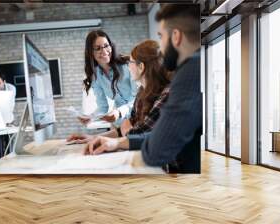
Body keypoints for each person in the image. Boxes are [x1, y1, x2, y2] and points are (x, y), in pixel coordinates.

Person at [85, 4, 202, 173]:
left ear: (175, 36)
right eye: (97, 48)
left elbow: (155, 147)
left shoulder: (188, 74)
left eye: (161, 36)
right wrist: (109, 136)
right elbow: (143, 133)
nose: (160, 48)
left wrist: (125, 131)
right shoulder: (143, 91)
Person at [67, 39, 170, 144]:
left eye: (130, 62)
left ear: (141, 67)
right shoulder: (142, 92)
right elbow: (126, 128)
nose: (128, 65)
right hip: (124, 130)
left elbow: (139, 134)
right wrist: (93, 136)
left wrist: (123, 123)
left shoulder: (165, 95)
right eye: (97, 48)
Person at [80, 30, 138, 126]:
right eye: (98, 48)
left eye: (106, 46)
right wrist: (91, 117)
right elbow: (103, 106)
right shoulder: (95, 76)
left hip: (140, 117)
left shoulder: (127, 65)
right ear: (91, 53)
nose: (104, 51)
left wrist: (119, 112)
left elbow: (137, 98)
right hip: (121, 123)